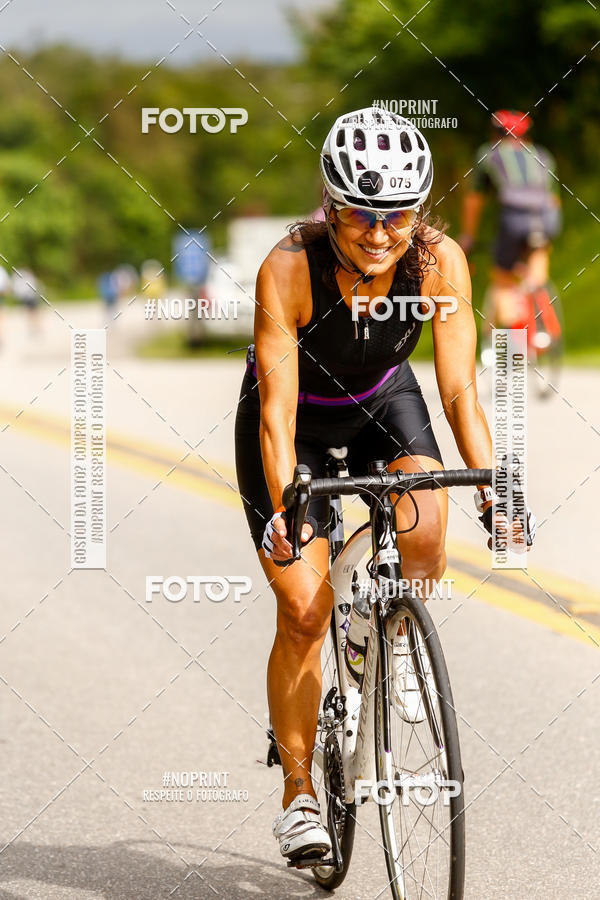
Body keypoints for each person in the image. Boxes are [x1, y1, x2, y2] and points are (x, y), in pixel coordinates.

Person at [234, 107, 535, 863]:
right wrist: (283, 511)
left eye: (396, 215)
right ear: (330, 206)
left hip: (381, 405)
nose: (377, 232)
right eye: (359, 215)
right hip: (295, 421)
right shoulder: (290, 267)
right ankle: (299, 796)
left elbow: (460, 390)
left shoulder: (439, 261)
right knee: (304, 608)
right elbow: (274, 416)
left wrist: (496, 487)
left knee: (426, 520)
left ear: (420, 210)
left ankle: (386, 635)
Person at [458, 110, 562, 347]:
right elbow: (555, 200)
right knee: (537, 270)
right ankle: (540, 324)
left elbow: (475, 199)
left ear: (495, 133)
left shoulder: (489, 153)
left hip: (514, 220)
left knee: (503, 279)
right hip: (547, 219)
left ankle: (509, 340)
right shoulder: (543, 155)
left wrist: (468, 236)